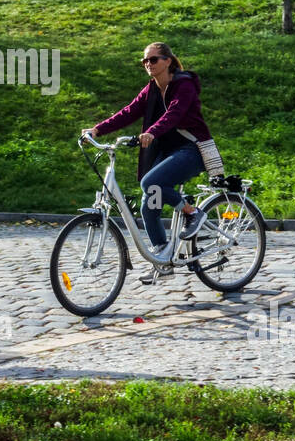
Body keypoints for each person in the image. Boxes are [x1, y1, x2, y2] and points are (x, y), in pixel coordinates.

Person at [89, 42, 214, 281]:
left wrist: (153, 132)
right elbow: (129, 111)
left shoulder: (184, 85)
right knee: (150, 204)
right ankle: (162, 258)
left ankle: (193, 213)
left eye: (153, 59)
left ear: (168, 61)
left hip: (191, 150)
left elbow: (174, 113)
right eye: (145, 61)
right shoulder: (152, 89)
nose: (148, 64)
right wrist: (97, 130)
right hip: (168, 153)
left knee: (151, 182)